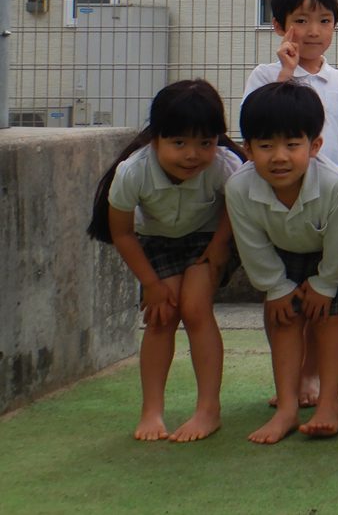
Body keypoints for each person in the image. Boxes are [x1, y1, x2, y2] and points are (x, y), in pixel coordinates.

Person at [87, 80, 242, 443]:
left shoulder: (225, 166)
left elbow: (235, 208)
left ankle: (208, 410)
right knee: (162, 316)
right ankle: (151, 410)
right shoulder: (133, 171)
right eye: (179, 143)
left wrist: (220, 246)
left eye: (205, 143)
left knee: (195, 308)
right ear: (155, 138)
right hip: (156, 241)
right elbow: (123, 234)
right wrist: (152, 285)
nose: (192, 155)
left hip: (208, 238)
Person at [226, 82, 338, 444]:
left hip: (332, 252)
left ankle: (329, 405)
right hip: (279, 250)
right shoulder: (238, 188)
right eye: (265, 146)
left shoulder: (335, 185)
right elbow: (252, 245)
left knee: (328, 317)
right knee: (284, 318)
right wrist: (276, 287)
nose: (279, 157)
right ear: (247, 149)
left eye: (292, 144)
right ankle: (287, 408)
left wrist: (326, 283)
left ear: (315, 146)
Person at [244, 0, 338, 179]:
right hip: (283, 180)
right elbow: (260, 126)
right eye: (302, 21)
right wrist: (286, 73)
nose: (314, 31)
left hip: (333, 183)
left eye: (325, 20)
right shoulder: (264, 76)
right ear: (279, 26)